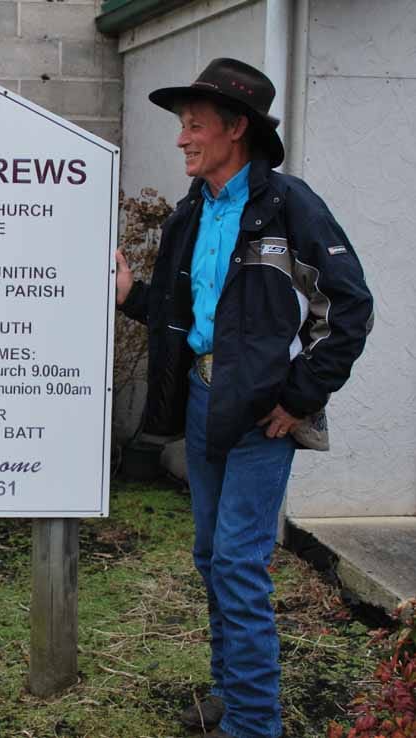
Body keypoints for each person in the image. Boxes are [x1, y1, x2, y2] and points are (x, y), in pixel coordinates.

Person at [115, 59, 373, 738]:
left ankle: (256, 724)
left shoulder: (291, 206)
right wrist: (130, 296)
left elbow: (349, 307)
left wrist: (300, 397)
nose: (181, 138)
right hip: (205, 404)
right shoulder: (190, 214)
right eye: (181, 125)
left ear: (237, 128)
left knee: (237, 561)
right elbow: (187, 316)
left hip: (265, 416)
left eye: (195, 123)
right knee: (211, 556)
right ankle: (233, 694)